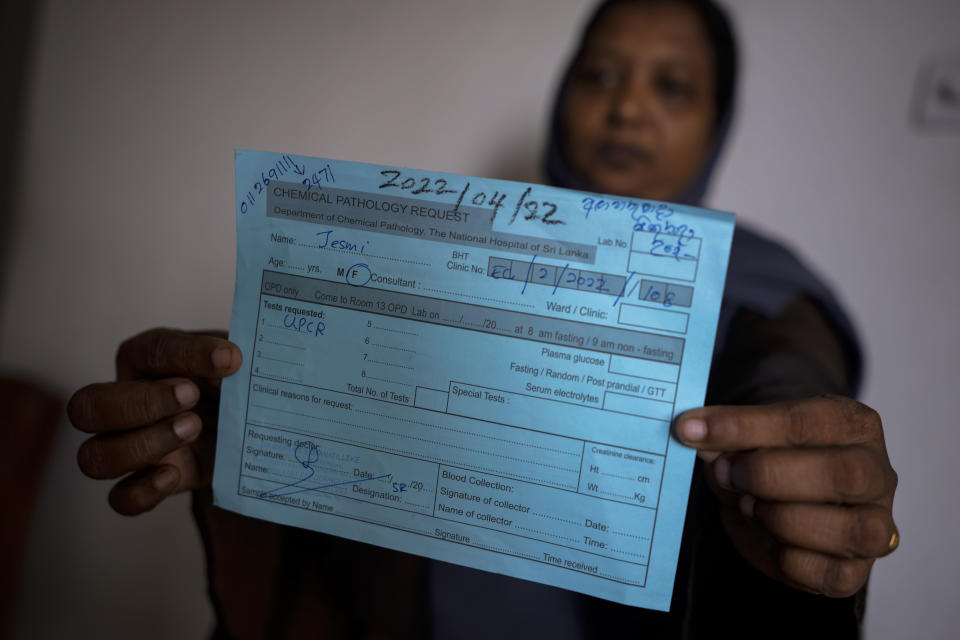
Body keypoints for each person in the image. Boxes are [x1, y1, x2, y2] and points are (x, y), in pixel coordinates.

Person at [67, 0, 898, 637]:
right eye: (598, 76)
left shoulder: (761, 286)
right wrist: (251, 422)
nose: (626, 108)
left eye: (671, 85)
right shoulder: (439, 260)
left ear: (716, 125)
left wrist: (807, 444)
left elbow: (786, 367)